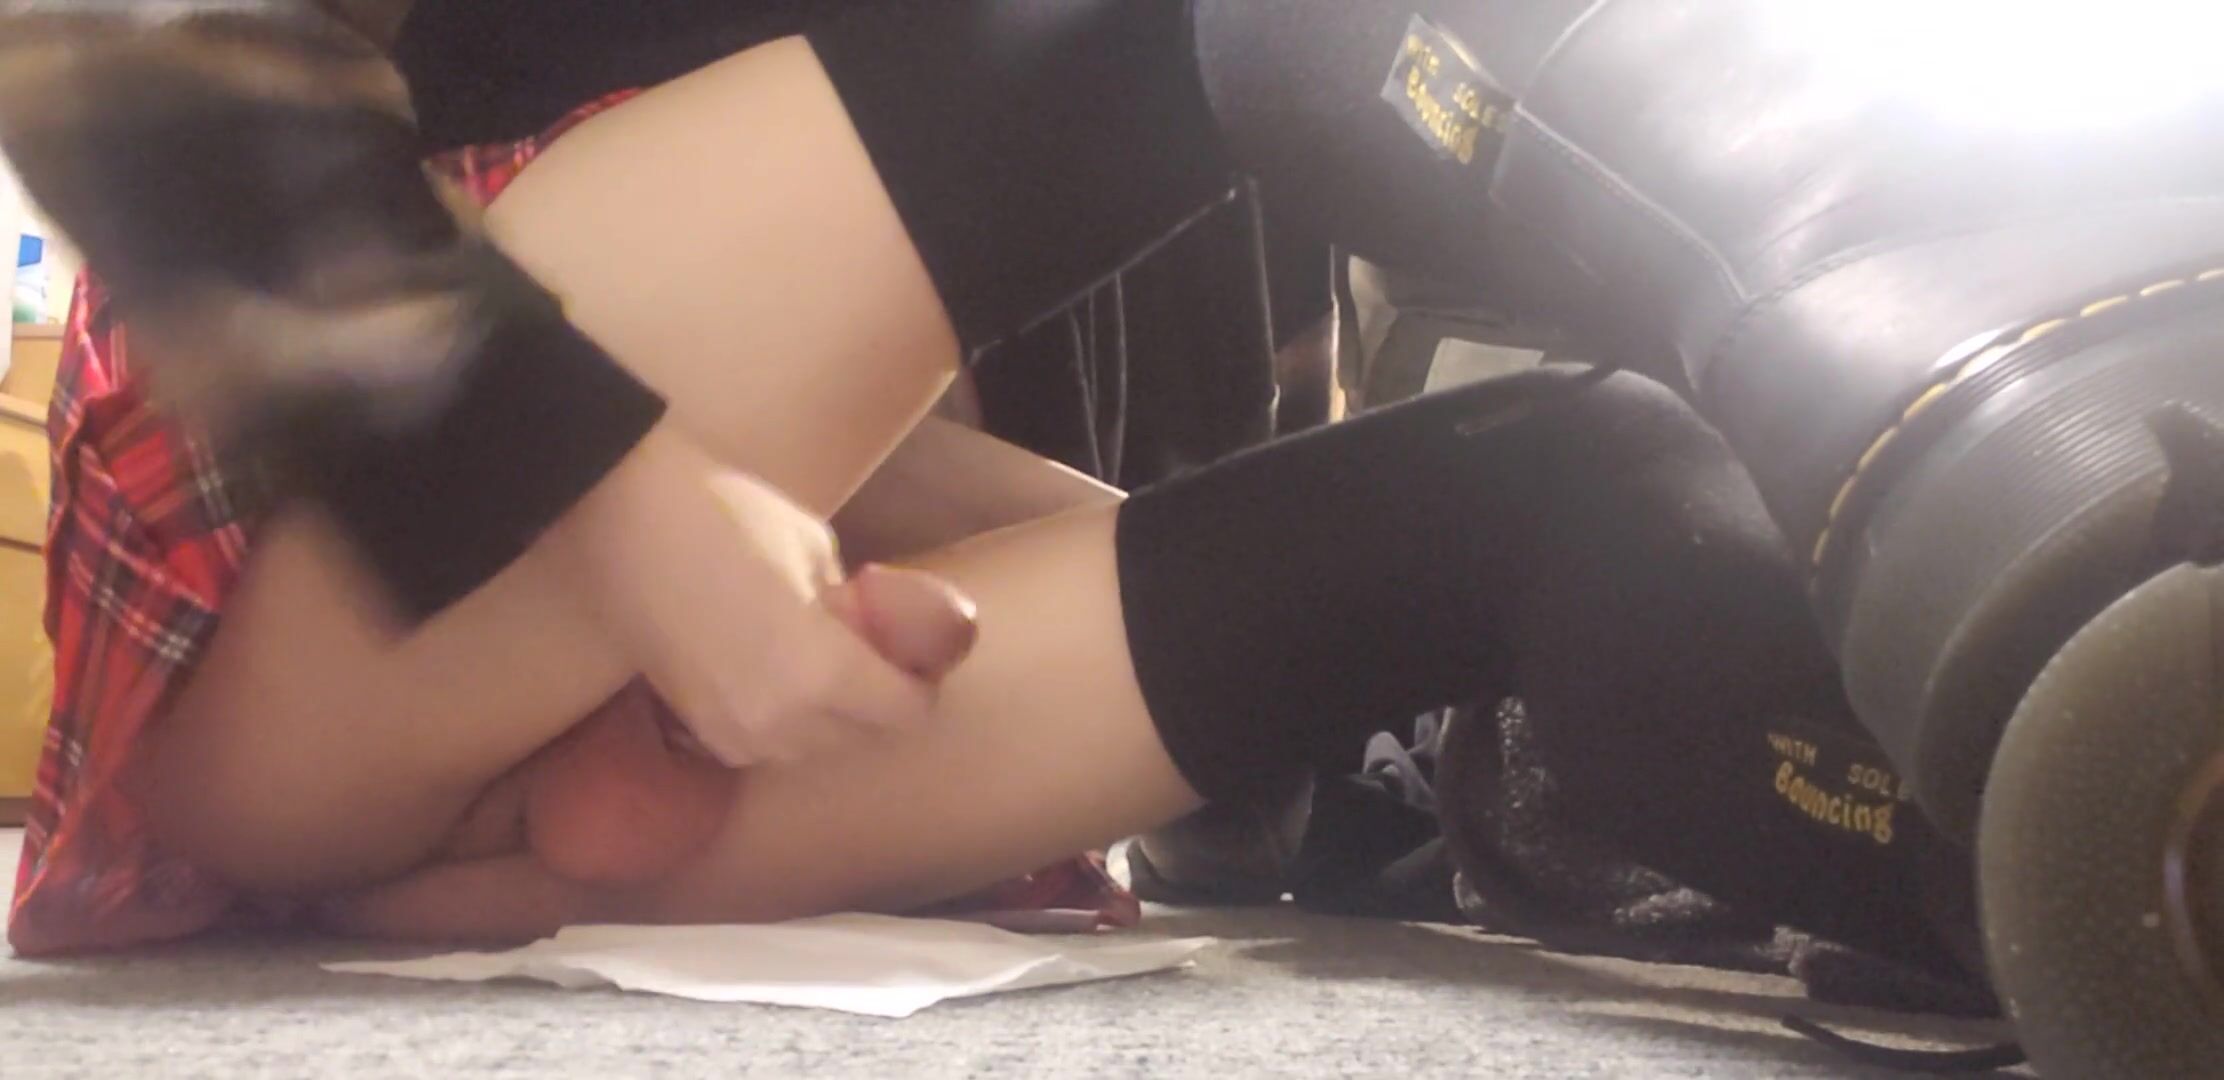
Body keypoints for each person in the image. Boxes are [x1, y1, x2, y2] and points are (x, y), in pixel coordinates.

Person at [1, 2, 1964, 984]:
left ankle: (2060, 817)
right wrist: (621, 512)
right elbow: (108, 37)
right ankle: (2002, 361)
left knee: (1557, 503)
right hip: (351, 466)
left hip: (647, 632)